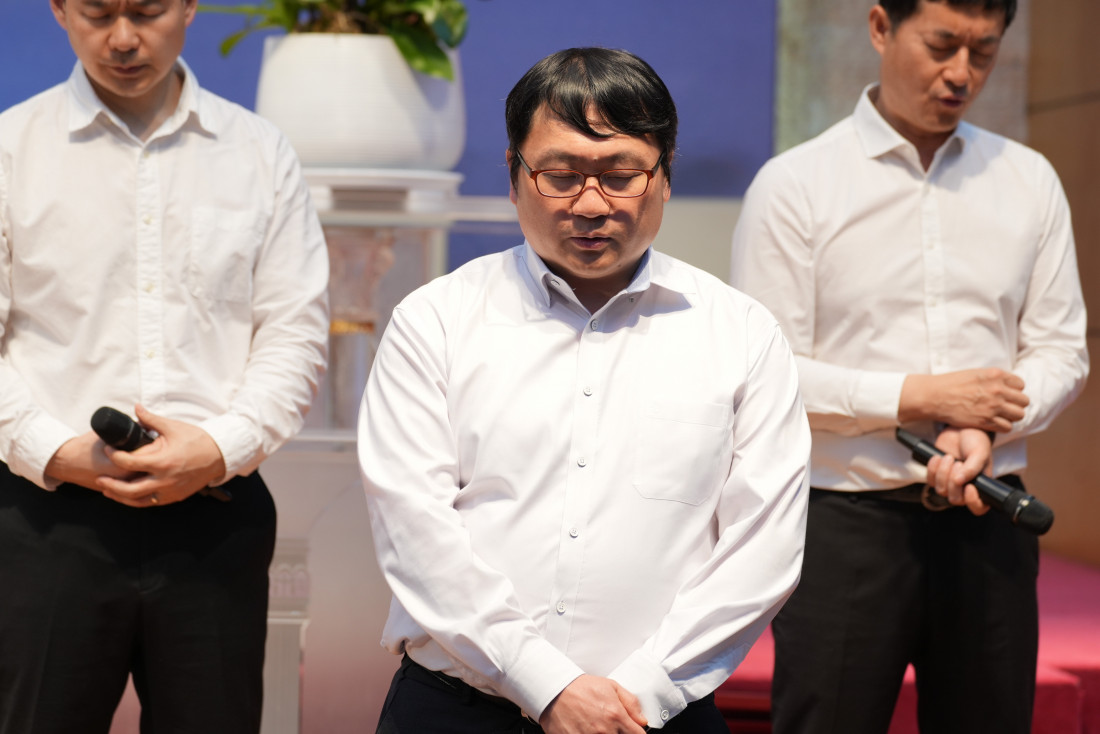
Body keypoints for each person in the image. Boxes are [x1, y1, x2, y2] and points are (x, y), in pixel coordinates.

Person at [358, 47, 810, 734]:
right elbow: (414, 529)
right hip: (460, 710)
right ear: (515, 177)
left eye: (621, 175)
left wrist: (640, 694)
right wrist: (548, 685)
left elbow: (762, 548)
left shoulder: (741, 333)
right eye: (561, 176)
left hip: (658, 716)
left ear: (664, 176)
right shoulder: (435, 320)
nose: (591, 204)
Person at [729, 0, 1088, 732]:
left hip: (990, 514)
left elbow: (1062, 349)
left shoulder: (1028, 179)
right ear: (880, 27)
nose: (961, 73)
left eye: (983, 52)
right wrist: (921, 396)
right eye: (942, 44)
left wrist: (985, 423)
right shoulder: (796, 184)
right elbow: (768, 373)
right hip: (844, 523)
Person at [0, 1, 329, 732]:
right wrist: (58, 452)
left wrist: (218, 447)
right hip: (44, 518)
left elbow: (294, 333)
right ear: (58, 9)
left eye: (147, 11)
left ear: (188, 5)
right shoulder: (11, 148)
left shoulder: (258, 152)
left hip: (214, 514)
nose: (122, 38)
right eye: (97, 12)